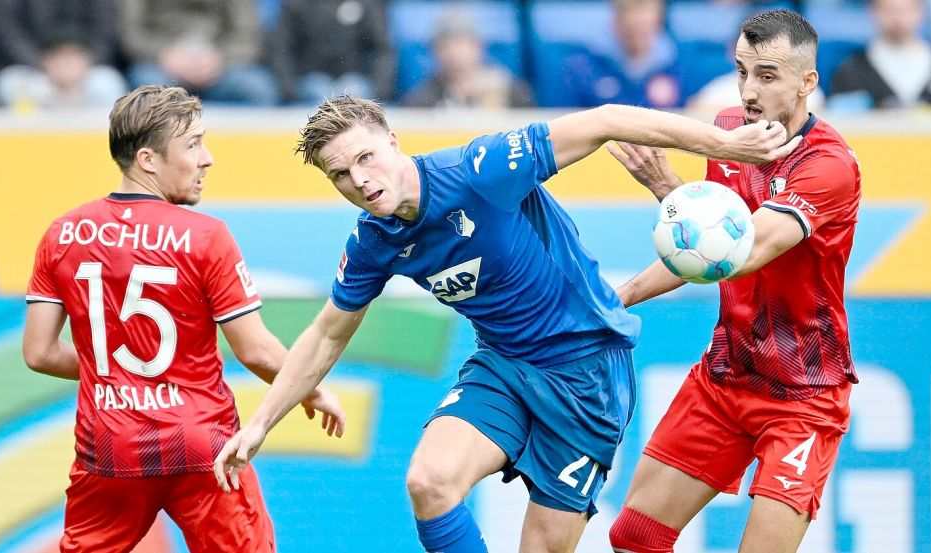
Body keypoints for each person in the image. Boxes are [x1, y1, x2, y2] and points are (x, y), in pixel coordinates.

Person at [211, 93, 799, 552]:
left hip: (587, 376)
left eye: (366, 157)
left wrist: (727, 145)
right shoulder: (373, 242)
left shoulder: (480, 169)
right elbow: (327, 333)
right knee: (429, 482)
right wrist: (260, 424)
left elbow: (605, 120)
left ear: (393, 141)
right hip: (503, 367)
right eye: (341, 175)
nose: (361, 181)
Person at [21, 85, 345, 552]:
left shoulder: (62, 233)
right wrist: (312, 389)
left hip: (108, 448)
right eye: (193, 144)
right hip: (202, 445)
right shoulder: (206, 236)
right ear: (149, 159)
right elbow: (253, 349)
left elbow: (39, 353)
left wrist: (114, 370)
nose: (206, 158)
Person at [605, 10, 860, 553]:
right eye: (742, 71)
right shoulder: (729, 132)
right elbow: (697, 252)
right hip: (727, 375)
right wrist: (617, 298)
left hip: (803, 394)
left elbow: (740, 252)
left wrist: (667, 189)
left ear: (807, 83)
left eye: (767, 76)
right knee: (635, 536)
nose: (748, 90)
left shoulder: (829, 165)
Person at [120, 0, 280, 106]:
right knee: (147, 86)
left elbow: (248, 36)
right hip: (160, 66)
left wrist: (220, 58)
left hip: (222, 67)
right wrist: (164, 55)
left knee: (257, 89)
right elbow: (130, 35)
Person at [0, 0, 127, 109]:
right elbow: (7, 30)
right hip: (34, 70)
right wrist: (43, 62)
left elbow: (106, 28)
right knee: (8, 85)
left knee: (108, 84)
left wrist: (84, 61)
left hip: (86, 69)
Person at [829, 0, 931, 111]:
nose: (897, 18)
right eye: (888, 10)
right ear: (873, 12)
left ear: (921, 12)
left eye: (905, 10)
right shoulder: (850, 72)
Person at [559, 0, 685, 108]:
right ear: (615, 18)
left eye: (644, 11)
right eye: (629, 11)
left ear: (659, 18)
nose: (637, 20)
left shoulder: (677, 64)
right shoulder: (582, 67)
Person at [268, 0, 395, 106]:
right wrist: (290, 90)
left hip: (355, 78)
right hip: (309, 79)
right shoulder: (296, 4)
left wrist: (380, 89)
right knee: (320, 94)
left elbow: (382, 49)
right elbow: (281, 48)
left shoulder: (365, 3)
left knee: (354, 95)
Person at [403, 14, 534, 109]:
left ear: (478, 46)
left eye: (461, 43)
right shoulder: (422, 98)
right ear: (435, 51)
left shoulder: (511, 90)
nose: (453, 53)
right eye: (445, 46)